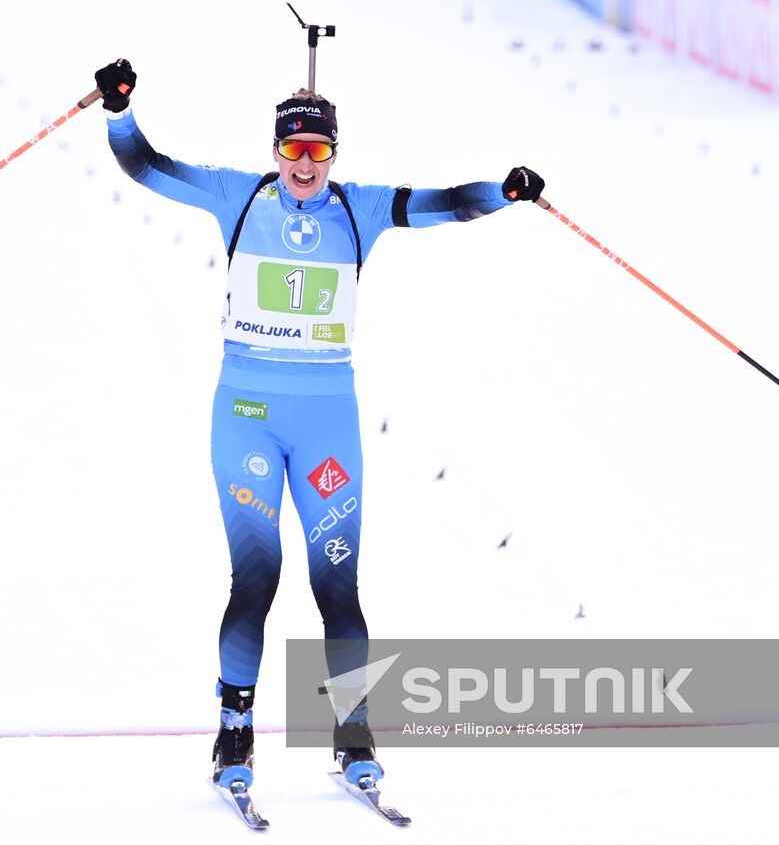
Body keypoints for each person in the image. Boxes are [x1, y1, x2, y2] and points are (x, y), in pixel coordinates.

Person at [93, 58, 545, 791]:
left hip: (327, 424)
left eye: (320, 151)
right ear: (275, 151)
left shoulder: (360, 208)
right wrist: (120, 107)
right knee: (257, 578)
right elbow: (143, 165)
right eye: (294, 150)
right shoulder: (236, 197)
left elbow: (447, 203)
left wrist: (506, 191)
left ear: (335, 154)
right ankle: (234, 735)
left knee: (337, 585)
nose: (306, 165)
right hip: (247, 417)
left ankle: (353, 734)